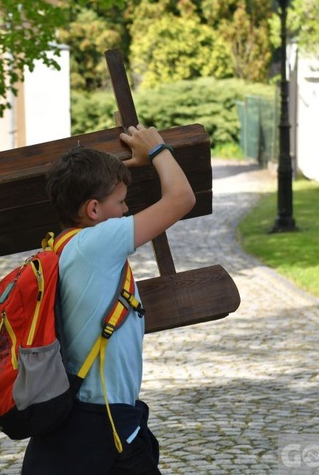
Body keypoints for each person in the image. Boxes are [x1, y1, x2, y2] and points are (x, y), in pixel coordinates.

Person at [21, 124, 196, 474]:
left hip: (82, 416)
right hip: (102, 421)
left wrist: (117, 172)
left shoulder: (65, 245)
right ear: (94, 210)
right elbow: (181, 199)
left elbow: (93, 191)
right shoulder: (98, 241)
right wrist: (158, 149)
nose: (127, 208)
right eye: (120, 202)